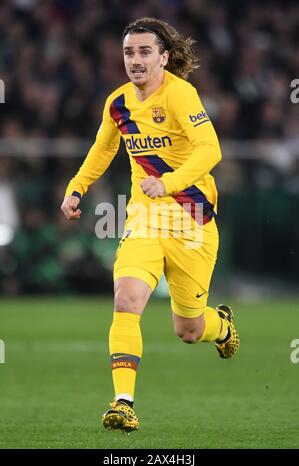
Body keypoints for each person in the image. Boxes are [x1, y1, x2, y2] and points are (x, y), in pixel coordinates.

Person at [61, 17, 240, 433]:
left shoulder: (181, 95)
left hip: (193, 221)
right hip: (143, 218)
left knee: (190, 328)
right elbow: (101, 150)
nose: (136, 60)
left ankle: (222, 326)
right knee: (126, 300)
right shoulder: (118, 103)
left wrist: (171, 182)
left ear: (164, 57)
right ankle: (123, 403)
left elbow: (210, 148)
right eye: (129, 52)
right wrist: (76, 189)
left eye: (144, 52)